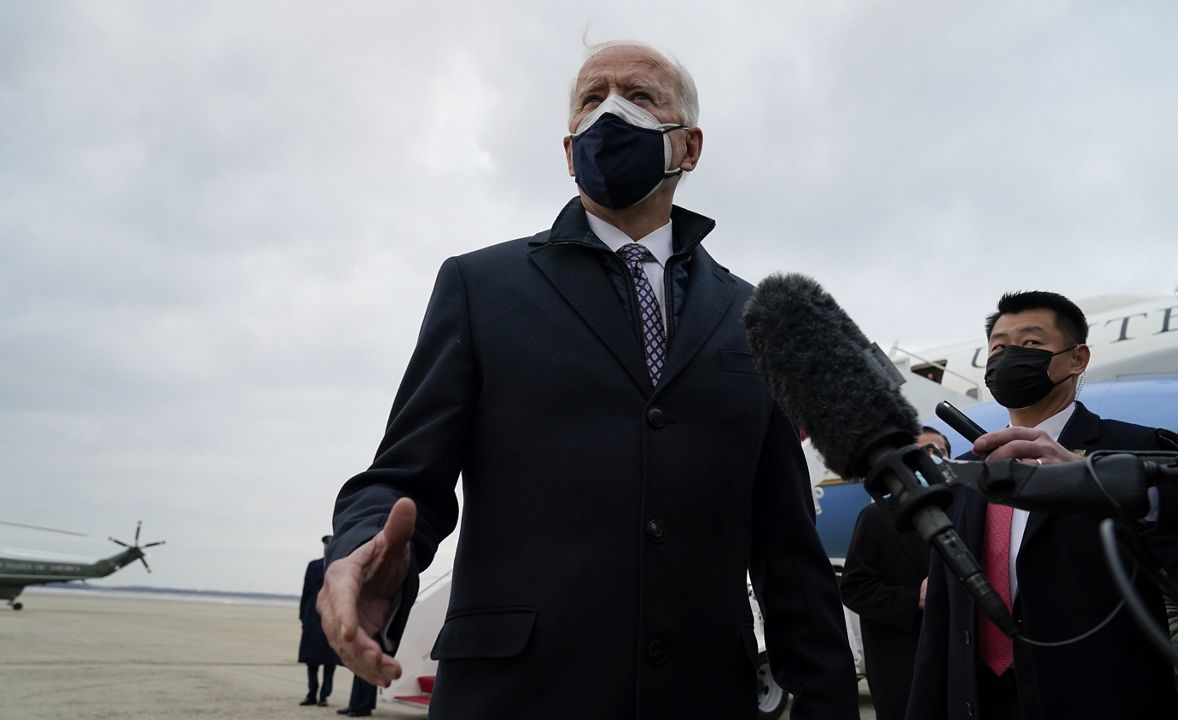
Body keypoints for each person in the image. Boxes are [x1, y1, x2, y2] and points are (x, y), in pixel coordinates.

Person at [316, 40, 860, 720]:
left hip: (704, 695)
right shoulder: (481, 287)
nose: (610, 112)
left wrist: (825, 699)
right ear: (571, 151)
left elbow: (787, 548)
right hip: (517, 696)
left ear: (687, 147)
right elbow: (404, 478)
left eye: (639, 96)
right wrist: (361, 550)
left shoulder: (755, 319)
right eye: (590, 98)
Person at [906, 290, 1178, 720]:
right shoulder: (964, 472)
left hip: (1099, 697)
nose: (1009, 356)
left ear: (1078, 358)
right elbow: (944, 610)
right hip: (982, 699)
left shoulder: (1137, 450)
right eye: (998, 347)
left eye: (1031, 344)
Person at [841, 427, 950, 720]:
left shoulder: (964, 512)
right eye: (922, 454)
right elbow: (853, 588)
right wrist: (916, 598)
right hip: (903, 666)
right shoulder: (876, 518)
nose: (932, 460)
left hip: (957, 665)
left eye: (938, 453)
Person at [299, 536, 340, 708]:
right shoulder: (313, 565)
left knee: (329, 662)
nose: (326, 548)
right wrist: (302, 616)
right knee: (311, 660)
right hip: (312, 617)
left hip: (332, 618)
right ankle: (311, 693)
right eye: (325, 546)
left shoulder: (340, 567)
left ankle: (324, 695)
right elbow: (306, 592)